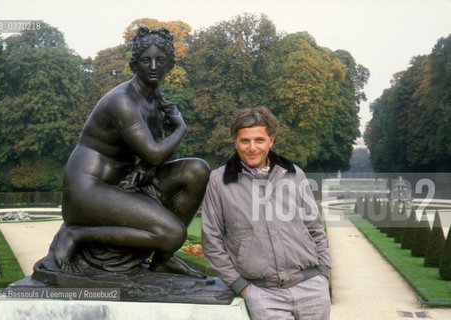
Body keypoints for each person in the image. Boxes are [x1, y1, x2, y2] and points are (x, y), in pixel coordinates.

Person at [51, 26, 209, 278]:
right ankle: (76, 234)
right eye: (146, 60)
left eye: (161, 60)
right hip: (88, 191)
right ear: (135, 63)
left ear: (170, 64)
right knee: (172, 234)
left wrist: (147, 167)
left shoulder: (153, 100)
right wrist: (180, 128)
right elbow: (156, 153)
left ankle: (163, 260)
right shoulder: (122, 101)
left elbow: (151, 158)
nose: (154, 66)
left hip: (119, 185)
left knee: (197, 169)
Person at [201, 107, 331, 319]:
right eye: (245, 141)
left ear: (271, 140)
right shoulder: (218, 181)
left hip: (311, 289)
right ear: (236, 141)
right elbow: (211, 241)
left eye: (259, 140)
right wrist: (242, 287)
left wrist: (323, 272)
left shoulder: (295, 174)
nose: (252, 147)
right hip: (263, 295)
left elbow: (315, 226)